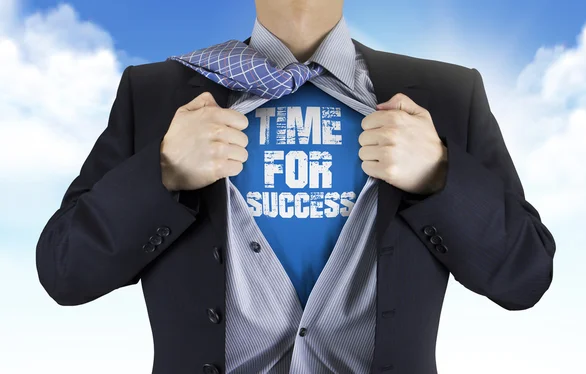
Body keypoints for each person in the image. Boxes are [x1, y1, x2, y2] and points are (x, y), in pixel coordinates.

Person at [35, 0, 556, 373]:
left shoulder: (448, 94)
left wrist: (440, 175)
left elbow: (524, 275)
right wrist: (162, 171)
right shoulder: (154, 93)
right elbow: (65, 272)